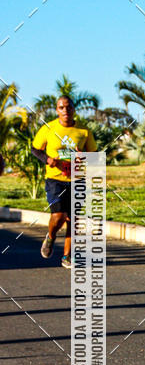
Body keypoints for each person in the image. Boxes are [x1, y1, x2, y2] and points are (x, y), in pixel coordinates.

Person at [31, 95, 97, 269]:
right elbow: (35, 149)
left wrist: (84, 157)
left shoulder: (84, 131)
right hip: (55, 179)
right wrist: (48, 160)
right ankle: (51, 237)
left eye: (68, 107)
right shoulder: (48, 128)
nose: (65, 111)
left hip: (78, 179)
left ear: (74, 109)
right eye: (61, 107)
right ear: (57, 110)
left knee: (73, 219)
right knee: (59, 216)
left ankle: (68, 256)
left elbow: (94, 155)